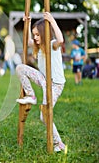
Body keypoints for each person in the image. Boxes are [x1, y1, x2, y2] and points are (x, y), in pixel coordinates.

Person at [16, 12, 66, 152]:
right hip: (44, 80)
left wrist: (51, 20)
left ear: (44, 34)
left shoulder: (52, 45)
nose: (35, 38)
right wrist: (27, 24)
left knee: (44, 116)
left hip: (55, 84)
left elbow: (61, 40)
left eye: (38, 35)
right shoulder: (37, 46)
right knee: (20, 68)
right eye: (34, 35)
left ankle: (58, 143)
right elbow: (27, 40)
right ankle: (31, 95)